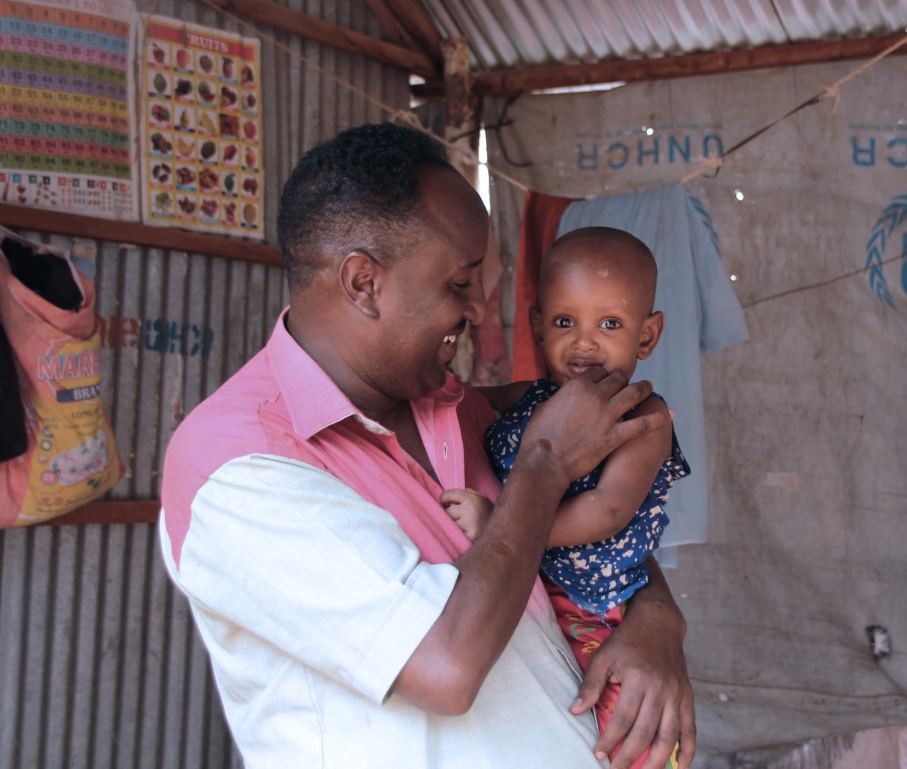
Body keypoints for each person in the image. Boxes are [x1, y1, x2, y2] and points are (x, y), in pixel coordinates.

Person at [157, 122, 695, 769]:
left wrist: (657, 621)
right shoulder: (235, 467)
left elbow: (598, 522)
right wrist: (544, 463)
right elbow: (447, 666)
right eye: (458, 282)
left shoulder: (459, 407)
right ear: (364, 282)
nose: (478, 309)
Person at [441, 227, 689, 768]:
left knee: (626, 725)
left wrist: (501, 522)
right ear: (536, 326)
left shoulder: (643, 418)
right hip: (524, 600)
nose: (583, 342)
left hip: (600, 608)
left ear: (647, 337)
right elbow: (454, 399)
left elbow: (608, 510)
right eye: (563, 322)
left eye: (609, 324)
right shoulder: (529, 399)